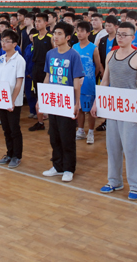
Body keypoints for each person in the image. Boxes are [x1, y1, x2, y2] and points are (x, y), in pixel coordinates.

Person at [92, 21, 137, 200]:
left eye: (125, 34)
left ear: (133, 37)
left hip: (131, 107)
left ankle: (135, 185)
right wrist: (97, 101)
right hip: (113, 107)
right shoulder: (110, 54)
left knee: (131, 147)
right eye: (119, 34)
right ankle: (114, 180)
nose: (121, 37)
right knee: (113, 145)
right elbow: (105, 81)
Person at [41, 22, 85, 182]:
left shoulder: (74, 55)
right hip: (53, 101)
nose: (55, 37)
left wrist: (77, 102)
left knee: (67, 137)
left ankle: (68, 168)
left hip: (67, 102)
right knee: (54, 135)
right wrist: (42, 98)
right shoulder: (50, 54)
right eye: (54, 33)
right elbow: (47, 76)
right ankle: (57, 165)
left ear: (67, 37)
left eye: (59, 34)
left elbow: (76, 81)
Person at [0, 29, 26, 169]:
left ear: (14, 44)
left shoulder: (19, 60)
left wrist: (12, 100)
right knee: (6, 128)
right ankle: (9, 153)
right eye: (2, 40)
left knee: (14, 128)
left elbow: (19, 83)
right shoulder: (1, 59)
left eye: (7, 41)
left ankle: (17, 156)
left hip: (14, 101)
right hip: (2, 99)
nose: (4, 43)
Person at [73, 21, 103, 144]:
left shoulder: (93, 48)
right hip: (77, 83)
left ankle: (90, 131)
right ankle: (80, 130)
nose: (79, 33)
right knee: (79, 106)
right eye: (78, 30)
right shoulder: (74, 47)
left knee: (91, 109)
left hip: (89, 83)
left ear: (88, 33)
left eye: (82, 31)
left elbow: (98, 65)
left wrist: (91, 77)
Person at [29, 13, 53, 131]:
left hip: (47, 70)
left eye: (39, 21)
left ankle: (52, 125)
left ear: (46, 23)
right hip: (36, 69)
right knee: (37, 96)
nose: (37, 23)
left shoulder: (51, 37)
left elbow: (54, 54)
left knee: (49, 96)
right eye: (36, 21)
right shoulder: (34, 37)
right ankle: (40, 122)